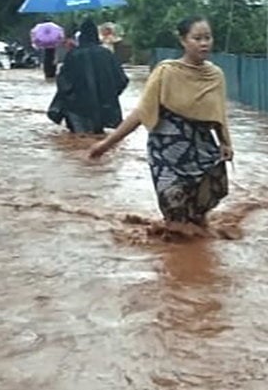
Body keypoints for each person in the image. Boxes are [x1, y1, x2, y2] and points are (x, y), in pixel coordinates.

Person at [89, 15, 233, 236]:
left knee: (201, 208)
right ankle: (177, 263)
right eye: (197, 38)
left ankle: (199, 255)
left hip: (202, 148)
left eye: (208, 37)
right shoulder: (166, 72)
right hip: (167, 149)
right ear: (183, 41)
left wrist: (225, 143)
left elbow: (218, 114)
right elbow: (141, 113)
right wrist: (106, 144)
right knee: (175, 211)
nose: (204, 43)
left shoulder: (215, 75)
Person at [47, 18, 129, 134]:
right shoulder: (107, 54)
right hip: (103, 108)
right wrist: (109, 95)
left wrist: (69, 98)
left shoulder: (73, 55)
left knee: (77, 142)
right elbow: (122, 80)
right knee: (99, 140)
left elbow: (63, 82)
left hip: (77, 109)